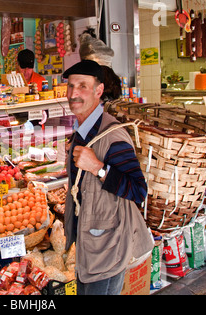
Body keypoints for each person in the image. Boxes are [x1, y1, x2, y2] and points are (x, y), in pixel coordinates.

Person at [62, 59, 153, 295]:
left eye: (83, 86)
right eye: (71, 86)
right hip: (88, 246)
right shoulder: (82, 132)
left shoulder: (114, 137)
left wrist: (98, 168)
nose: (74, 93)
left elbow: (138, 190)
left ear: (98, 91)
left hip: (108, 250)